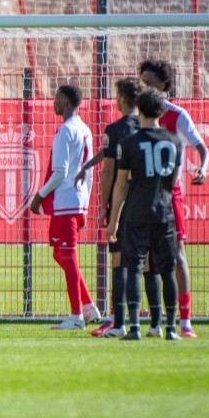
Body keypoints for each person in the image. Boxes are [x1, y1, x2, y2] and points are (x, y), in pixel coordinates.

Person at [106, 89, 184, 341]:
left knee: (134, 269)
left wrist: (113, 220)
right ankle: (170, 329)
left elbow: (121, 185)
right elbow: (172, 182)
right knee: (167, 271)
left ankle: (135, 328)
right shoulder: (175, 142)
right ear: (162, 111)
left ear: (139, 109)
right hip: (164, 214)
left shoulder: (129, 143)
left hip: (137, 213)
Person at [138, 59, 209, 338]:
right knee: (145, 258)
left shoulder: (177, 115)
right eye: (142, 82)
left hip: (169, 195)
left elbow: (202, 147)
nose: (145, 87)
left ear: (164, 85)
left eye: (150, 83)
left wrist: (203, 167)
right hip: (143, 195)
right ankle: (153, 319)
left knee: (177, 255)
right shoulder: (138, 115)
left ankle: (185, 320)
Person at [75, 77, 142, 338]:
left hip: (122, 202)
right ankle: (157, 321)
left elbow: (109, 169)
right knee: (144, 263)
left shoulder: (115, 129)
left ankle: (117, 320)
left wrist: (104, 206)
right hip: (147, 201)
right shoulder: (149, 126)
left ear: (122, 99)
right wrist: (87, 165)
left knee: (119, 260)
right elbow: (108, 153)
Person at [30, 84, 100, 330]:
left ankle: (76, 316)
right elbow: (89, 173)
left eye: (57, 99)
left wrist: (39, 195)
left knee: (68, 256)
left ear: (67, 103)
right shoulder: (85, 129)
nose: (54, 103)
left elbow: (59, 172)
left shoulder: (65, 131)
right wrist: (85, 203)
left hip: (66, 202)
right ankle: (88, 307)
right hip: (76, 201)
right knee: (60, 254)